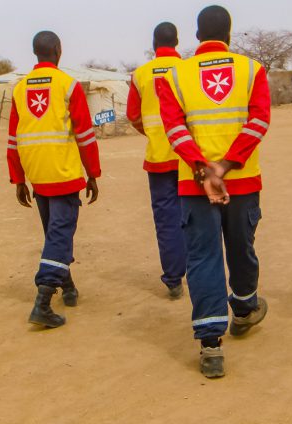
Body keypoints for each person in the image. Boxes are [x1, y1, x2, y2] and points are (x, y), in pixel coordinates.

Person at [157, 5, 270, 378]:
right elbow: (259, 121)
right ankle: (243, 309)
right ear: (230, 34)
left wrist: (203, 168)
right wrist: (225, 166)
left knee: (203, 258)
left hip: (194, 184)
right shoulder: (252, 69)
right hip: (241, 181)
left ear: (196, 34)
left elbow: (174, 130)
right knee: (241, 249)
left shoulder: (175, 75)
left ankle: (210, 347)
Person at [6, 31, 101, 328]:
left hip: (37, 174)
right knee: (60, 235)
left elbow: (13, 139)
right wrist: (93, 174)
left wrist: (19, 178)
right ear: (58, 50)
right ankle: (43, 301)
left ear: (36, 52)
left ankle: (68, 287)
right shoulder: (68, 86)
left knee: (54, 235)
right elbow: (85, 135)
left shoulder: (20, 89)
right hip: (63, 173)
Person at [127, 22, 187, 300]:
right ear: (176, 41)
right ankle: (198, 272)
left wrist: (153, 133)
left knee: (166, 219)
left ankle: (174, 279)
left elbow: (133, 115)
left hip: (158, 158)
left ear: (154, 44)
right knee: (195, 216)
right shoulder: (189, 69)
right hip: (191, 158)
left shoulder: (140, 74)